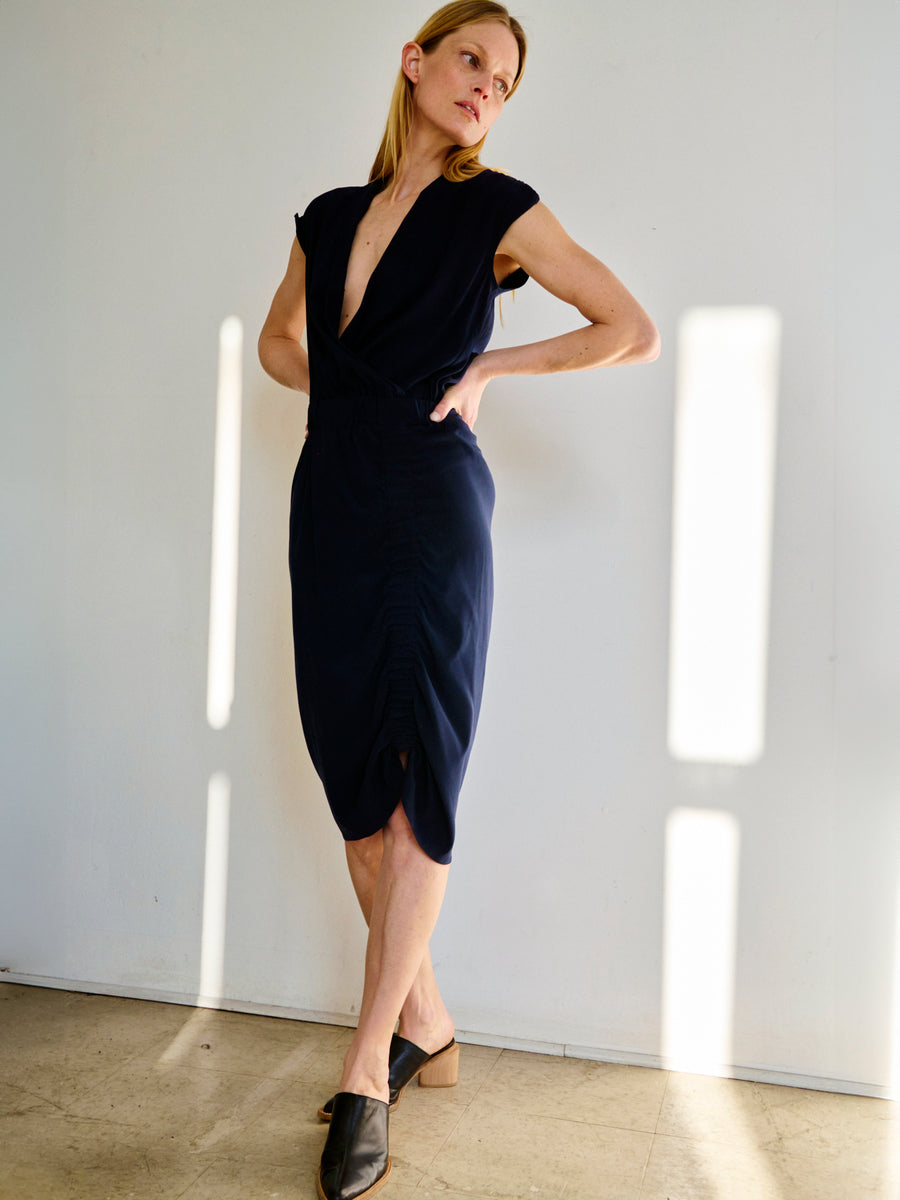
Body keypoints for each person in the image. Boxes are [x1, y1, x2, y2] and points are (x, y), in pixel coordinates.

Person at [258, 3, 659, 1196]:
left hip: (432, 504)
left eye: (508, 78)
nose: (489, 85)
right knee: (349, 778)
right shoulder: (329, 219)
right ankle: (425, 1016)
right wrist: (344, 377)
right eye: (472, 58)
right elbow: (285, 346)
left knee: (417, 770)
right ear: (415, 61)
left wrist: (488, 364)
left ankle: (368, 1066)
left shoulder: (499, 209)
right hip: (331, 495)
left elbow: (628, 329)